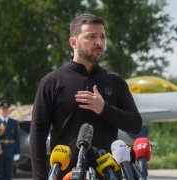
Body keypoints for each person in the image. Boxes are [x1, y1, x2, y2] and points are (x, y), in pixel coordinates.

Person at [29, 13, 142, 179]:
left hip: (108, 174)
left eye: (102, 37)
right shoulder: (52, 82)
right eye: (91, 36)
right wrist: (40, 178)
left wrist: (104, 108)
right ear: (73, 42)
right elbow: (38, 134)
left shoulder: (115, 82)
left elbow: (135, 124)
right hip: (65, 175)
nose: (99, 42)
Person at [0, 100, 20, 180]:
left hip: (10, 151)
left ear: (8, 110)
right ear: (0, 110)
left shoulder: (14, 122)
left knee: (8, 174)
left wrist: (17, 152)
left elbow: (17, 138)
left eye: (6, 109)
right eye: (3, 109)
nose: (5, 111)